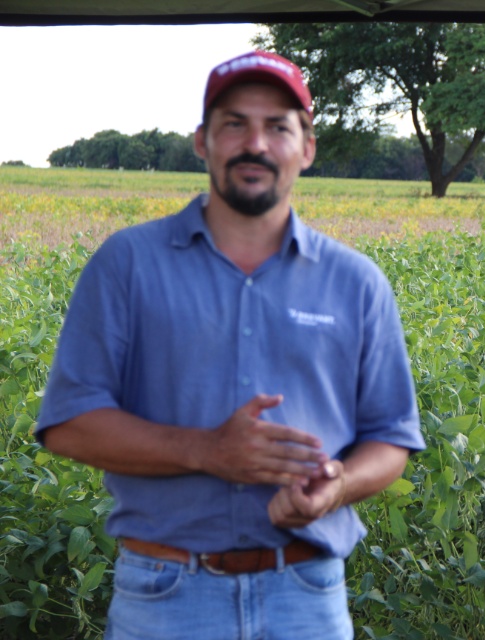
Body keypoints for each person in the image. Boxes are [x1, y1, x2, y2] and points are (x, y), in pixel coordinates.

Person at [36, 50, 425, 639]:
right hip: (164, 596)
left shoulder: (355, 281)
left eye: (277, 127)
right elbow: (69, 422)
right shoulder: (128, 263)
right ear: (202, 141)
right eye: (234, 124)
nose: (256, 144)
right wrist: (205, 450)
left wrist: (335, 487)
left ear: (307, 147)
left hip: (306, 595)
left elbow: (392, 438)